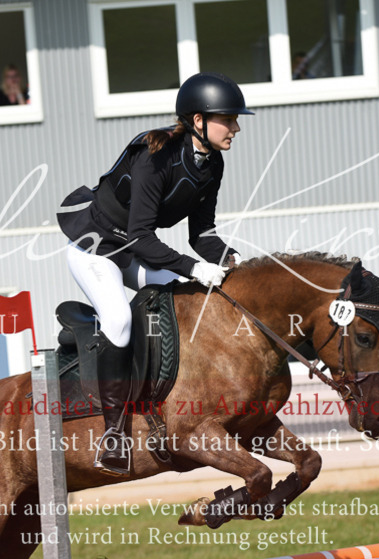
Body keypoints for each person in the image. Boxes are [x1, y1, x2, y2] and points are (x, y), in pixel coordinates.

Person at [57, 72, 252, 477]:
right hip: (96, 247)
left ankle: (169, 405)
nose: (236, 127)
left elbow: (203, 234)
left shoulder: (211, 163)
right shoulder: (154, 155)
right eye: (229, 119)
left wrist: (231, 259)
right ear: (198, 121)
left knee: (191, 303)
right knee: (119, 318)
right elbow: (141, 235)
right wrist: (193, 267)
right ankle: (113, 434)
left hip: (133, 249)